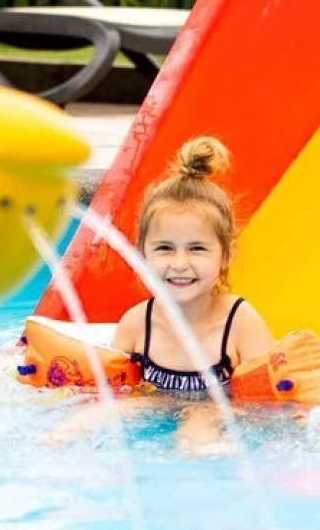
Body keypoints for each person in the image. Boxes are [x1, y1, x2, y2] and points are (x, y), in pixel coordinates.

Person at [111, 136, 275, 394]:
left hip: (223, 414)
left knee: (201, 418)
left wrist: (212, 411)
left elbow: (272, 404)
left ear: (226, 255)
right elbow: (111, 395)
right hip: (152, 410)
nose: (179, 264)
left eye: (197, 248)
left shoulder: (241, 324)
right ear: (142, 256)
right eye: (164, 248)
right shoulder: (136, 324)